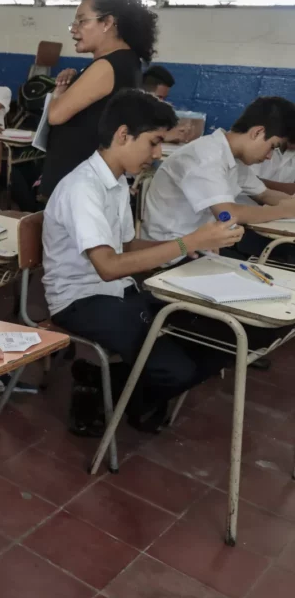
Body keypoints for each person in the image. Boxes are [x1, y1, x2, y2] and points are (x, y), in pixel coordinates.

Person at [44, 89, 241, 434]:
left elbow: (127, 245)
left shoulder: (118, 182)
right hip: (79, 300)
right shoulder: (83, 188)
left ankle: (105, 382)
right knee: (176, 368)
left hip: (117, 290)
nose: (158, 152)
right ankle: (105, 394)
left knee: (220, 341)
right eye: (153, 142)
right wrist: (188, 241)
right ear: (123, 135)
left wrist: (182, 249)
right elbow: (107, 265)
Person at [141, 96, 295, 261]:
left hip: (203, 246)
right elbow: (227, 213)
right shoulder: (205, 156)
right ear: (257, 132)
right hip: (172, 252)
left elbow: (264, 194)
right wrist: (282, 210)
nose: (269, 156)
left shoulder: (233, 158)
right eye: (272, 147)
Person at [40, 0, 156, 198]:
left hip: (78, 183)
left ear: (108, 23)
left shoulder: (107, 66)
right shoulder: (127, 62)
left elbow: (56, 116)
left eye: (82, 21)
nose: (74, 29)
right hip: (91, 178)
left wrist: (59, 92)